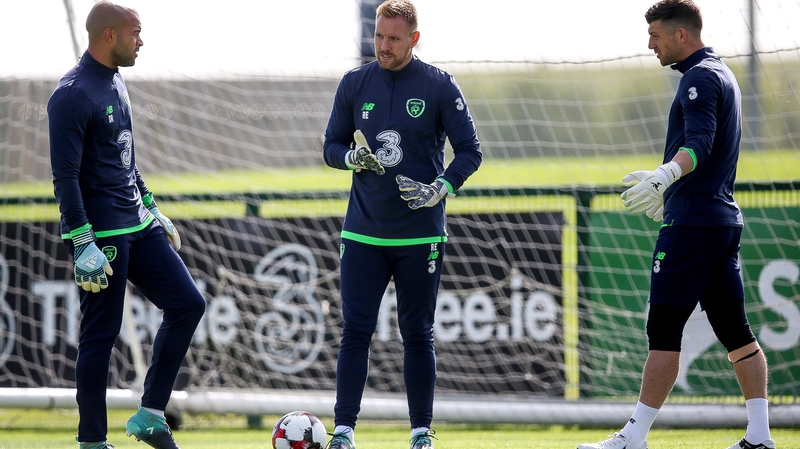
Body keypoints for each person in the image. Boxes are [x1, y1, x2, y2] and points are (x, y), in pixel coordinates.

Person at [578, 1, 774, 449]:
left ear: (680, 35)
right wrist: (671, 188)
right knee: (737, 333)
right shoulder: (720, 72)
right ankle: (760, 437)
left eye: (655, 36)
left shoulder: (699, 78)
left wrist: (666, 177)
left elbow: (700, 144)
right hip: (720, 220)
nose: (650, 44)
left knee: (663, 331)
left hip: (693, 225)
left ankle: (635, 437)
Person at [322, 1, 482, 448]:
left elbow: (470, 151)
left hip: (421, 234)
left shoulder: (439, 85)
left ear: (414, 39)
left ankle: (420, 433)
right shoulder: (355, 83)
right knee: (355, 330)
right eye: (378, 36)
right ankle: (344, 432)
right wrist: (351, 157)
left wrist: (441, 187)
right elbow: (331, 145)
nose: (384, 46)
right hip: (363, 233)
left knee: (417, 332)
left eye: (393, 38)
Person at [48, 2, 206, 448]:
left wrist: (151, 205)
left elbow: (125, 157)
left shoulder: (116, 80)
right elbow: (65, 176)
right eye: (136, 32)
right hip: (106, 234)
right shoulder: (71, 95)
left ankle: (151, 414)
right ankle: (92, 441)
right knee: (101, 334)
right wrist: (82, 240)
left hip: (138, 221)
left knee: (188, 303)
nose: (142, 40)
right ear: (109, 36)